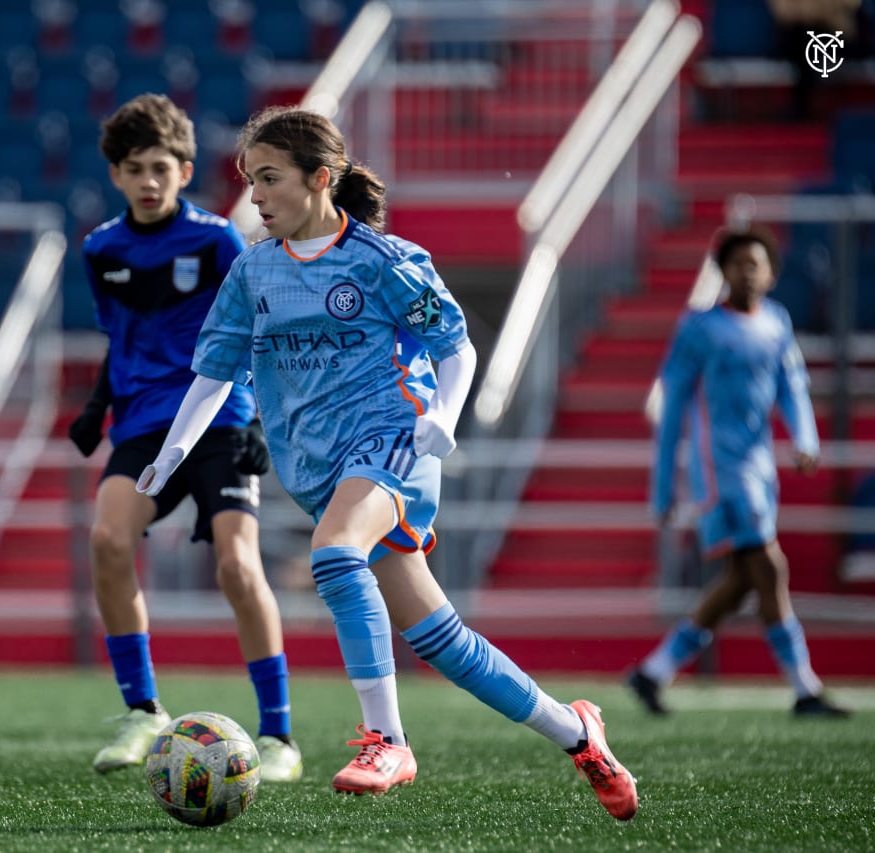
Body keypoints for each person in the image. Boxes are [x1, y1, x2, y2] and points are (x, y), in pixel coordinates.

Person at [136, 105, 638, 820]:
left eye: (270, 178)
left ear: (320, 179)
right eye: (250, 180)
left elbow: (456, 345)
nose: (256, 194)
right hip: (317, 468)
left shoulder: (382, 260)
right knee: (443, 641)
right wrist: (173, 451)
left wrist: (442, 415)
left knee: (335, 553)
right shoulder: (253, 273)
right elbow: (215, 372)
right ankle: (576, 731)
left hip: (394, 439)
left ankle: (388, 739)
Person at [69, 94, 303, 782]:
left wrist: (257, 416)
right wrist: (96, 403)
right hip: (142, 423)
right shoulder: (99, 248)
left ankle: (278, 734)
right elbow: (120, 338)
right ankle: (143, 709)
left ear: (185, 170)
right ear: (115, 174)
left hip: (219, 419)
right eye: (135, 168)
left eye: (161, 167)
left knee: (237, 565)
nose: (149, 180)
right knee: (108, 541)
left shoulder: (215, 241)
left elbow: (254, 331)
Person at [627, 225, 851, 718]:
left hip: (758, 466)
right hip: (718, 469)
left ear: (771, 273)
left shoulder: (776, 322)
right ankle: (805, 689)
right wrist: (662, 488)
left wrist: (806, 439)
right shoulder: (699, 328)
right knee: (770, 567)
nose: (747, 272)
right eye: (738, 264)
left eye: (756, 264)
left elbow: (792, 386)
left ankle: (653, 672)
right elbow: (673, 406)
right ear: (723, 272)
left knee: (743, 581)